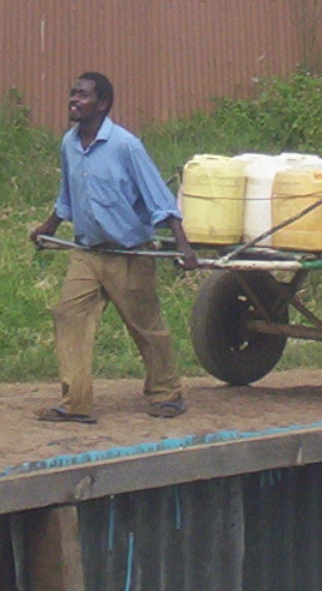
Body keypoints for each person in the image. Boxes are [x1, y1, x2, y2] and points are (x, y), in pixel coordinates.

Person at [30, 72, 198, 424]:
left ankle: (166, 393)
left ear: (103, 103)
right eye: (73, 93)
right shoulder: (69, 144)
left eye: (84, 96)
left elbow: (159, 198)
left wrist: (183, 245)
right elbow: (67, 195)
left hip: (129, 254)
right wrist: (49, 227)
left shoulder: (125, 146)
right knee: (69, 315)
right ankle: (75, 402)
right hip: (87, 253)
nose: (74, 100)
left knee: (145, 325)